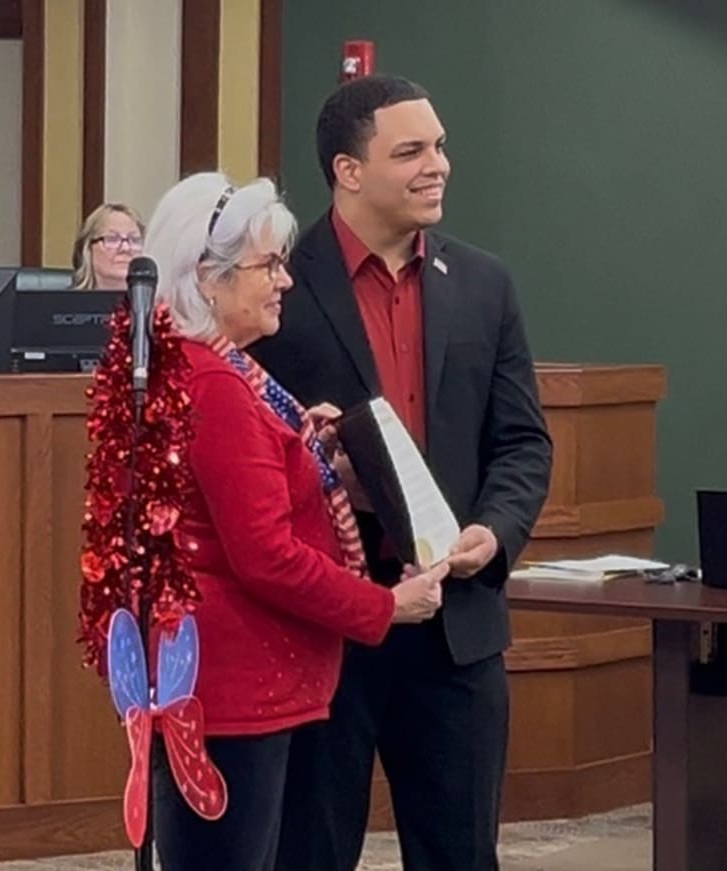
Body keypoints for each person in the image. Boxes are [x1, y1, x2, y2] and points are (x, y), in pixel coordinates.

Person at [249, 75, 553, 871]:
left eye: (440, 146)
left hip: (457, 627)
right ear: (349, 170)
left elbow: (523, 442)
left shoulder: (485, 283)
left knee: (460, 854)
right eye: (411, 150)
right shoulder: (274, 287)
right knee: (306, 852)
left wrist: (498, 528)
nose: (438, 165)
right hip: (328, 626)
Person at [142, 171, 450, 871]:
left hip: (229, 679)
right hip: (236, 687)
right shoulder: (216, 385)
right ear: (208, 279)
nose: (284, 280)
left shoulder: (213, 369)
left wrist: (316, 463)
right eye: (268, 265)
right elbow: (265, 554)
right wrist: (384, 604)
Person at [71, 202, 145, 289]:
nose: (126, 248)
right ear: (88, 249)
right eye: (112, 239)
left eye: (134, 240)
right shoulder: (63, 302)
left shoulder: (158, 301)